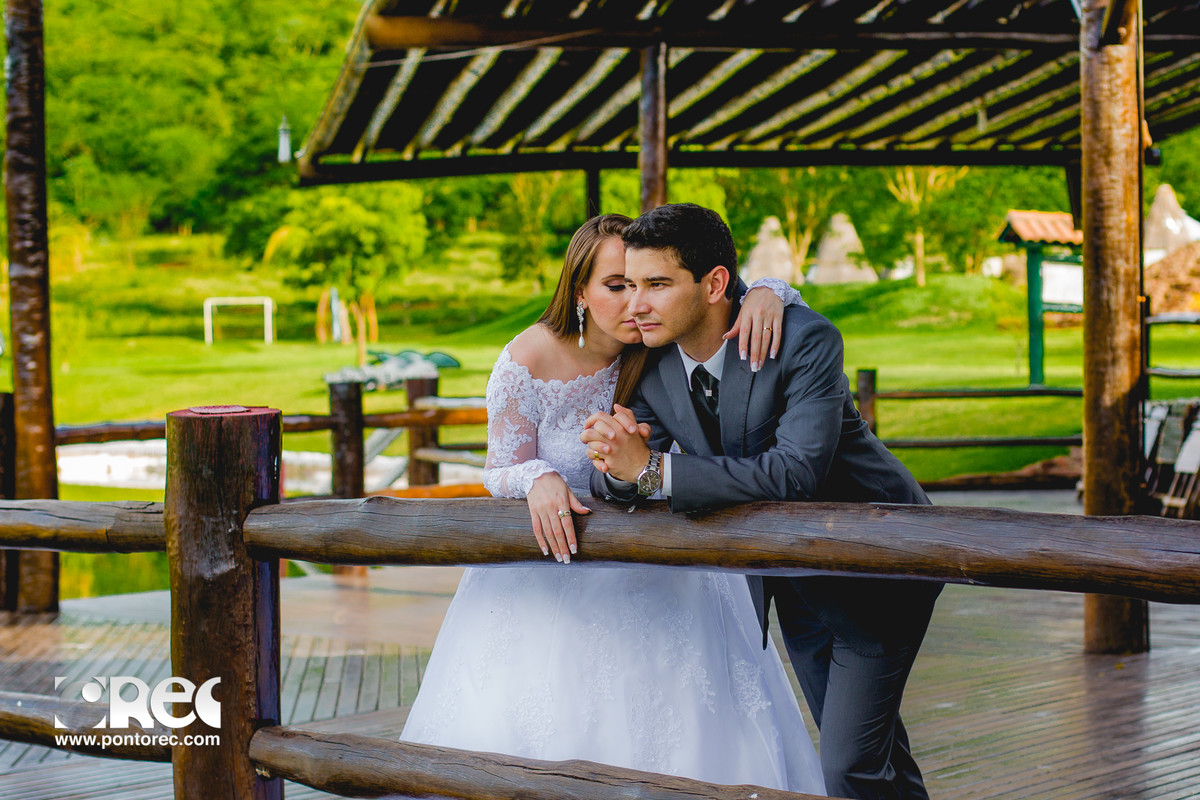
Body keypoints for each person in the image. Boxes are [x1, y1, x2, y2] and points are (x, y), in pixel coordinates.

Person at [400, 214, 825, 794]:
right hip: (555, 578)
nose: (635, 303)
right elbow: (498, 467)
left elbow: (712, 292)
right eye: (616, 286)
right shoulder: (527, 359)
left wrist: (772, 293)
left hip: (662, 562)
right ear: (580, 292)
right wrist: (537, 477)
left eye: (643, 284)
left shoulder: (657, 343)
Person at [584, 203, 942, 800]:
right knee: (873, 756)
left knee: (848, 768)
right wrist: (621, 464)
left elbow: (795, 472)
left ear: (716, 283)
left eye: (658, 285)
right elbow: (626, 469)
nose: (636, 304)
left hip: (878, 570)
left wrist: (650, 469)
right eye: (630, 284)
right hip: (792, 583)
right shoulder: (649, 362)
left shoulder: (804, 340)